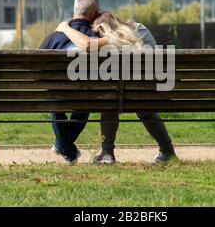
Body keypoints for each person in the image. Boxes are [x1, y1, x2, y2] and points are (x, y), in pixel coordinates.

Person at [56, 12, 177, 164]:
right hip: (152, 91)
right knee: (140, 104)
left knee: (109, 100)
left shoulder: (112, 40)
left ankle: (107, 154)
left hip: (120, 95)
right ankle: (167, 150)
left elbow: (87, 45)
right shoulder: (140, 29)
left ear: (102, 27)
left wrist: (65, 27)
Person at [39, 0, 100, 163]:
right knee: (86, 100)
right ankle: (65, 147)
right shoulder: (99, 38)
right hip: (87, 94)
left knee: (54, 99)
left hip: (57, 95)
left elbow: (37, 70)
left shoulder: (54, 37)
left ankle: (64, 147)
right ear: (93, 13)